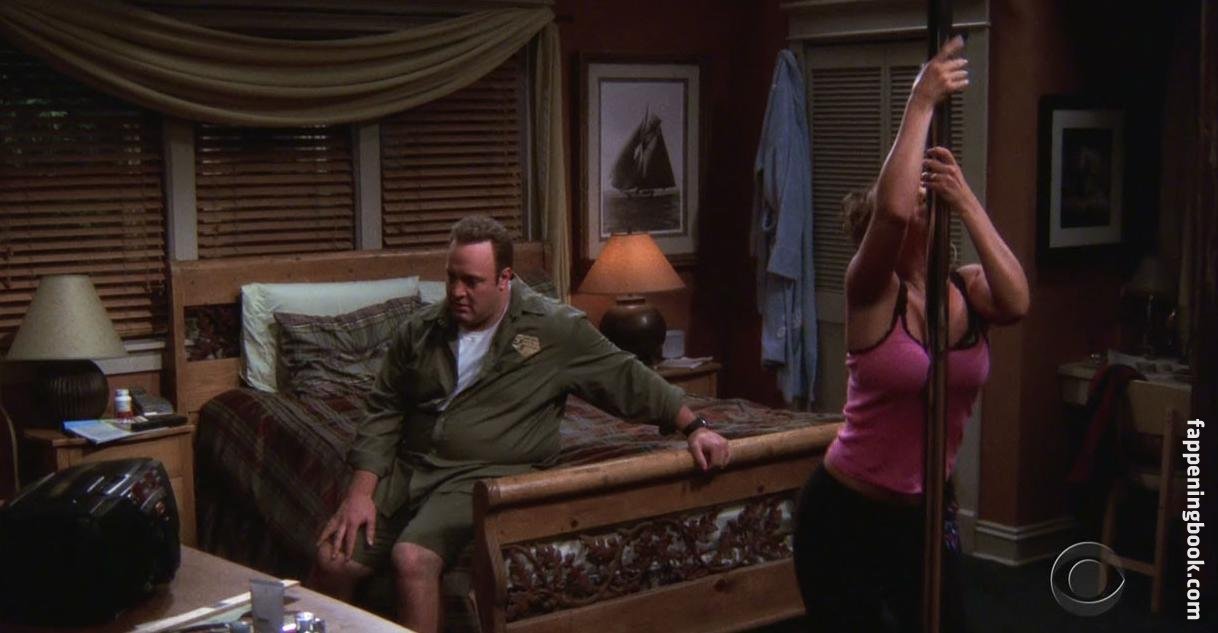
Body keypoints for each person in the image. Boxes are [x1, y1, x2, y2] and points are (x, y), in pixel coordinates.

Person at [309, 216, 732, 632]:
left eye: (472, 281)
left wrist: (695, 426)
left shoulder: (553, 329)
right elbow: (383, 408)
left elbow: (627, 377)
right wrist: (360, 493)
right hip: (413, 468)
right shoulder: (420, 331)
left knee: (411, 557)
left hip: (481, 473)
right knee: (332, 559)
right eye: (451, 277)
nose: (456, 292)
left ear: (504, 279)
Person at [792, 35, 1029, 632]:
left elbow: (1018, 301)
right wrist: (921, 99)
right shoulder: (870, 291)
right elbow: (895, 210)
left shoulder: (966, 288)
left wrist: (966, 200)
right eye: (913, 192)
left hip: (925, 514)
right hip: (845, 515)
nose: (920, 195)